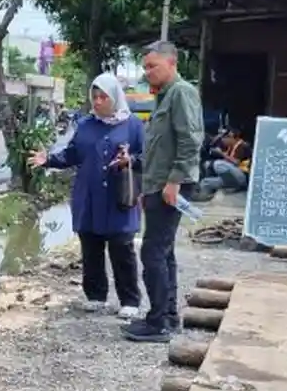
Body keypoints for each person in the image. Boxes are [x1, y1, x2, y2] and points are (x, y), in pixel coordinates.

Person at [29, 73, 144, 319]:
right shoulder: (85, 125)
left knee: (122, 249)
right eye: (95, 97)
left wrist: (130, 160)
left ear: (115, 98)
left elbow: (148, 157)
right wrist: (48, 159)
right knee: (91, 248)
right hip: (89, 198)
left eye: (103, 97)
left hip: (119, 198)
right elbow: (72, 154)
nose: (98, 101)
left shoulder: (133, 126)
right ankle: (96, 296)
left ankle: (130, 300)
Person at [122, 40, 204, 344]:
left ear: (172, 63)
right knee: (163, 251)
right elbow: (159, 149)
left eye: (152, 66)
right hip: (159, 185)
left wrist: (174, 182)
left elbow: (190, 141)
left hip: (172, 184)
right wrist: (149, 187)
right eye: (145, 67)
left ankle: (159, 321)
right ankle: (167, 315)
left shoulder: (181, 93)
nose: (148, 72)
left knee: (153, 252)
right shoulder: (164, 96)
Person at [198, 127, 251, 195]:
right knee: (205, 182)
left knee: (218, 164)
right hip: (231, 178)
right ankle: (203, 196)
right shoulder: (230, 146)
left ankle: (238, 186)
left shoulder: (242, 145)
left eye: (226, 138)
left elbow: (236, 162)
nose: (223, 140)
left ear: (233, 138)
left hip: (242, 177)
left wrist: (221, 153)